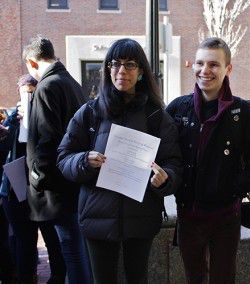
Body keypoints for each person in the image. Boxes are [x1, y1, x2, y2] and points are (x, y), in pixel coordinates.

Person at [57, 38, 182, 284]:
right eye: (115, 64)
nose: (121, 70)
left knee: (138, 278)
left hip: (142, 215)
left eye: (130, 64)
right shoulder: (90, 113)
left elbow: (174, 164)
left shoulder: (157, 117)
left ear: (142, 72)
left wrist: (165, 178)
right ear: (107, 69)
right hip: (97, 217)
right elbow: (63, 158)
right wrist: (84, 160)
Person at [166, 37, 250, 283]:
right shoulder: (178, 109)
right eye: (200, 63)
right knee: (194, 279)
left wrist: (229, 189)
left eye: (213, 64)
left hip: (226, 217)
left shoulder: (245, 114)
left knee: (224, 278)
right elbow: (163, 154)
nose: (205, 70)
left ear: (228, 69)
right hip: (188, 214)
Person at [22, 36, 91, 284]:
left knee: (71, 253)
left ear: (32, 62)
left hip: (56, 187)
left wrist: (36, 177)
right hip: (73, 180)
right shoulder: (71, 82)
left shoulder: (48, 86)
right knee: (77, 252)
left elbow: (47, 139)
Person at [0, 74, 66, 284]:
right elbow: (6, 150)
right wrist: (13, 123)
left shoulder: (47, 112)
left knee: (51, 238)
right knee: (24, 240)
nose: (27, 97)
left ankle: (56, 276)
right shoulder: (14, 118)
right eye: (23, 93)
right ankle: (26, 277)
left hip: (42, 189)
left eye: (31, 92)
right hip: (15, 189)